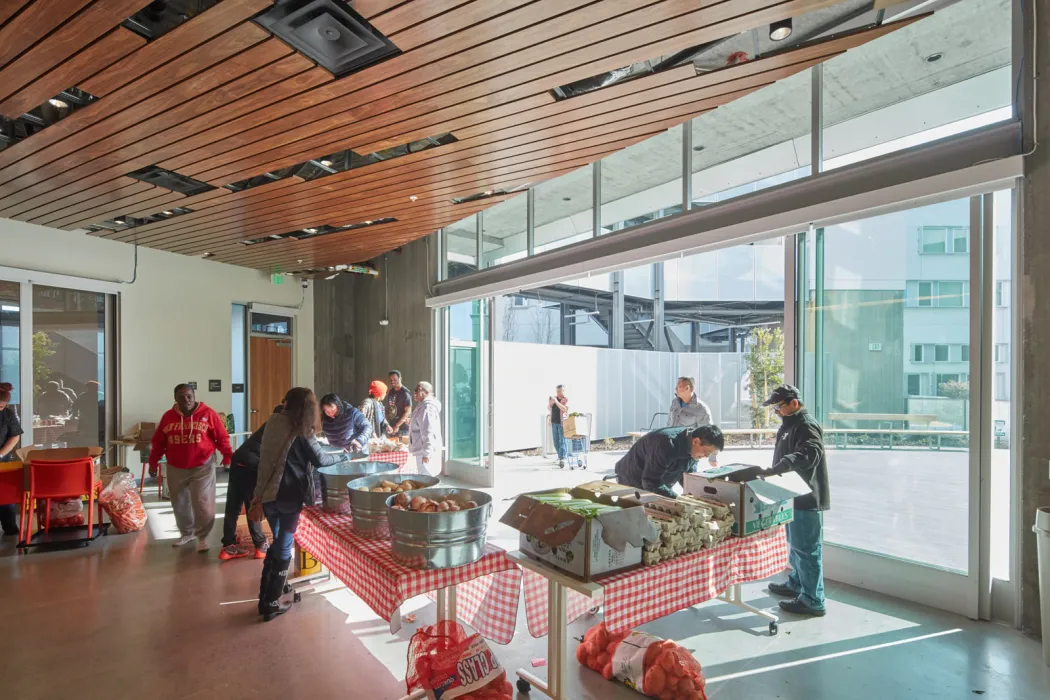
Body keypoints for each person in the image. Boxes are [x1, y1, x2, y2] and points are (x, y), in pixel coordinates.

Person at [251, 387, 349, 621]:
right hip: (288, 495)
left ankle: (265, 597)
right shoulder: (302, 429)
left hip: (267, 494)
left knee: (277, 544)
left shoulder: (273, 421)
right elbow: (321, 459)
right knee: (284, 546)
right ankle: (271, 603)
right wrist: (344, 456)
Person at [762, 385, 830, 617]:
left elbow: (812, 452)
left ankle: (813, 599)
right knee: (795, 544)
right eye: (775, 408)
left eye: (779, 406)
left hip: (806, 497)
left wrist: (783, 465)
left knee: (807, 550)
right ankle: (797, 583)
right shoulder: (788, 426)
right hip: (790, 493)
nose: (777, 411)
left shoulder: (806, 425)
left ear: (794, 403)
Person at [149, 383, 232, 551]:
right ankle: (187, 532)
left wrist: (227, 455)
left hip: (202, 465)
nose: (186, 400)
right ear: (175, 399)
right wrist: (153, 462)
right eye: (181, 397)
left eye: (189, 396)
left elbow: (222, 437)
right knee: (179, 502)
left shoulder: (208, 414)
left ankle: (203, 536)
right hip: (175, 466)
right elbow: (158, 443)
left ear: (194, 397)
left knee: (202, 502)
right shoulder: (168, 417)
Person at [219, 402, 286, 561]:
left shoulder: (269, 424)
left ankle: (228, 546)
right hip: (252, 464)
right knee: (252, 504)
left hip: (238, 460)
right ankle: (260, 545)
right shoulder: (281, 430)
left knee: (233, 506)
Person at [615, 424, 724, 498]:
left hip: (655, 479)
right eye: (706, 451)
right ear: (696, 441)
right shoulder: (666, 444)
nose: (706, 456)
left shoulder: (693, 449)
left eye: (710, 454)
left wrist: (696, 495)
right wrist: (677, 499)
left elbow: (687, 477)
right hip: (632, 478)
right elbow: (650, 482)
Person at [668, 377, 717, 466]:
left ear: (687, 388)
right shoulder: (675, 402)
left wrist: (712, 457)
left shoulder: (701, 409)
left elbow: (709, 433)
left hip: (688, 453)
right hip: (672, 449)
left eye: (678, 386)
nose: (676, 389)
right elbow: (669, 423)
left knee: (688, 478)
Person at [0, 383, 22, 536]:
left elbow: (15, 436)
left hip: (2, 462)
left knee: (5, 496)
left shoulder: (7, 415)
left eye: (1, 407)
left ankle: (10, 528)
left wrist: (1, 454)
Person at [408, 381, 442, 475]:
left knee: (426, 482)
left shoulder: (427, 407)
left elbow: (428, 431)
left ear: (426, 392)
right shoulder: (423, 405)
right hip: (421, 451)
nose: (414, 392)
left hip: (424, 452)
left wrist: (426, 453)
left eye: (417, 389)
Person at [385, 370, 412, 438]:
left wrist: (397, 425)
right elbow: (389, 408)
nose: (392, 381)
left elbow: (408, 411)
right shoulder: (391, 391)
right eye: (391, 380)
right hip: (392, 427)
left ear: (400, 378)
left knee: (401, 448)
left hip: (402, 428)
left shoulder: (405, 393)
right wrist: (387, 424)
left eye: (395, 379)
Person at [548, 385, 569, 468]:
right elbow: (550, 408)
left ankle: (563, 458)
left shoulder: (565, 399)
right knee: (556, 441)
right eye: (557, 391)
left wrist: (556, 401)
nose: (559, 393)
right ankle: (560, 456)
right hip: (554, 422)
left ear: (564, 391)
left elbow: (564, 409)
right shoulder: (554, 398)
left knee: (562, 441)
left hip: (562, 423)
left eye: (560, 391)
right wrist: (550, 403)